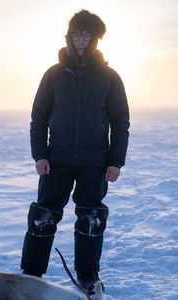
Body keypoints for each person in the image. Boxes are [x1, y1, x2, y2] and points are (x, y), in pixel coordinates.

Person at [21, 9, 130, 295]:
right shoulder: (53, 75)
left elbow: (120, 122)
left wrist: (116, 161)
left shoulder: (110, 77)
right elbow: (39, 117)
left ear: (94, 39)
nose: (81, 39)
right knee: (43, 217)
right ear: (70, 37)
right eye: (77, 34)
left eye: (87, 34)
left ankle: (88, 279)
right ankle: (31, 274)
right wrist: (40, 154)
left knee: (91, 220)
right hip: (56, 160)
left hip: (95, 163)